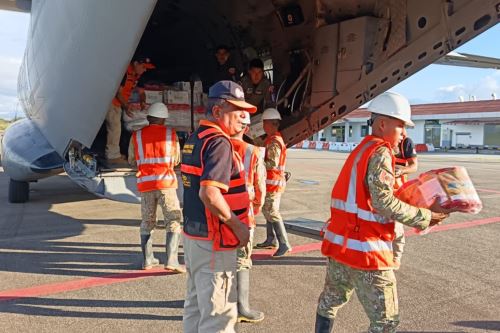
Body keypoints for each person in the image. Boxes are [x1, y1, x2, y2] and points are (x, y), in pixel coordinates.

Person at [314, 92, 459, 333]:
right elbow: (383, 203)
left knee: (329, 302)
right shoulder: (380, 152)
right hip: (366, 250)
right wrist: (426, 217)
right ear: (383, 124)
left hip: (341, 246)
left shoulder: (362, 149)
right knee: (386, 322)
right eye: (401, 126)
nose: (404, 134)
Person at [180, 80, 256, 333]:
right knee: (219, 317)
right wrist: (238, 227)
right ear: (217, 112)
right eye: (237, 110)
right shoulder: (219, 143)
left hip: (193, 236)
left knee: (195, 308)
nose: (244, 117)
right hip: (215, 240)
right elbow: (210, 194)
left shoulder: (195, 138)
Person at [127, 103, 185, 273]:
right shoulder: (170, 134)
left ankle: (147, 260)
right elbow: (176, 160)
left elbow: (132, 160)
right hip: (166, 183)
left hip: (146, 184)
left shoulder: (136, 136)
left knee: (147, 222)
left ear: (148, 117)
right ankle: (172, 260)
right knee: (173, 220)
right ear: (164, 119)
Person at [230, 112, 266, 323]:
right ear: (246, 129)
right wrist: (256, 207)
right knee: (242, 260)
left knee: (217, 260)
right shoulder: (253, 152)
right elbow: (260, 185)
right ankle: (242, 307)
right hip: (243, 214)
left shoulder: (215, 146)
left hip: (218, 214)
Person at [254, 108, 292, 257]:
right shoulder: (271, 139)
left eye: (264, 123)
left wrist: (258, 163)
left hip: (273, 182)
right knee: (267, 210)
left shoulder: (275, 142)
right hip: (271, 182)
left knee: (272, 212)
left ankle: (284, 244)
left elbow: (272, 163)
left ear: (271, 123)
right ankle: (271, 239)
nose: (263, 126)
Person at [106, 56, 154, 165]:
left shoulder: (138, 74)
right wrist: (126, 106)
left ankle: (116, 152)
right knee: (114, 128)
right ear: (136, 63)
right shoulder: (124, 72)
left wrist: (142, 101)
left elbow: (141, 92)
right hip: (112, 103)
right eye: (143, 67)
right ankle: (112, 156)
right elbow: (118, 92)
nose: (145, 70)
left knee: (118, 128)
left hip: (120, 103)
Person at [392, 128, 418, 268]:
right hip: (381, 188)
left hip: (398, 190)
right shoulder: (383, 141)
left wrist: (401, 170)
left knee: (396, 226)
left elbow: (414, 166)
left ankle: (396, 257)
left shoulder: (406, 143)